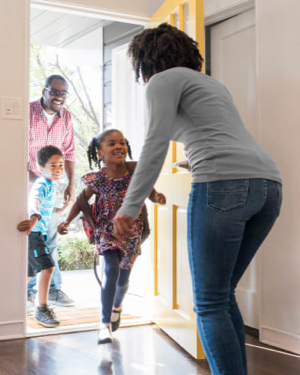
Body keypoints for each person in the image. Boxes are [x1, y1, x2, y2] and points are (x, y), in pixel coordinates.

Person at [113, 24, 283, 375]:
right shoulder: (212, 85)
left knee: (208, 303)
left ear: (146, 60)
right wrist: (190, 160)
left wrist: (128, 207)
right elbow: (215, 135)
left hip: (224, 186)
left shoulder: (162, 81)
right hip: (268, 185)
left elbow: (154, 144)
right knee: (222, 294)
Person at [57, 129, 166, 343]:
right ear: (99, 153)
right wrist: (67, 221)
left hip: (132, 232)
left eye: (122, 142)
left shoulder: (136, 172)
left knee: (124, 278)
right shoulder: (98, 178)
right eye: (111, 143)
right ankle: (104, 324)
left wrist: (157, 197)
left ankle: (117, 306)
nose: (119, 146)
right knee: (111, 270)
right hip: (106, 230)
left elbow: (150, 191)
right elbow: (81, 201)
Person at [27, 75, 77, 308]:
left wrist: (71, 184)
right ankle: (27, 291)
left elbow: (69, 153)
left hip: (53, 188)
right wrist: (38, 180)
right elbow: (15, 149)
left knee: (51, 239)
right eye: (55, 91)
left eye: (64, 93)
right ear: (44, 91)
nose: (59, 97)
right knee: (30, 238)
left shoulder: (65, 118)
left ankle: (55, 290)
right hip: (28, 188)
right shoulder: (27, 113)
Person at [17, 145, 73, 327]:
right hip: (34, 233)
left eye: (60, 165)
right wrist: (33, 218)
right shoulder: (41, 184)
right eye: (53, 166)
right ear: (41, 169)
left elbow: (47, 208)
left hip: (38, 233)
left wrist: (62, 209)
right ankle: (41, 309)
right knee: (48, 268)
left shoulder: (51, 185)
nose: (58, 170)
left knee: (29, 272)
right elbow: (34, 202)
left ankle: (9, 302)